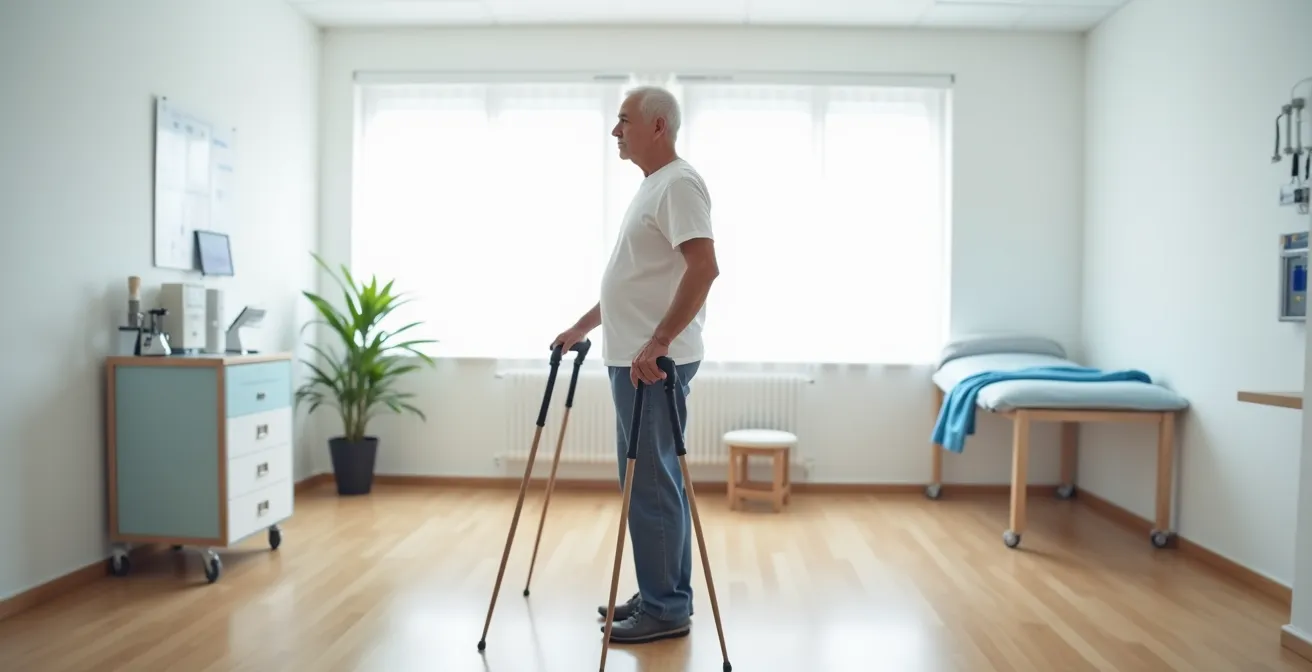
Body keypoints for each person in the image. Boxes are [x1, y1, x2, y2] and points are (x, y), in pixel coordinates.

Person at [551, 85, 719, 645]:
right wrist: (583, 326)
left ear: (658, 127)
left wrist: (661, 341)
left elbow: (704, 268)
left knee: (650, 486)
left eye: (624, 120)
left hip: (652, 365)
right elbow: (634, 281)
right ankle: (659, 594)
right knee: (645, 483)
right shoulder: (654, 187)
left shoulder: (679, 184)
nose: (615, 131)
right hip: (633, 360)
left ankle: (667, 608)